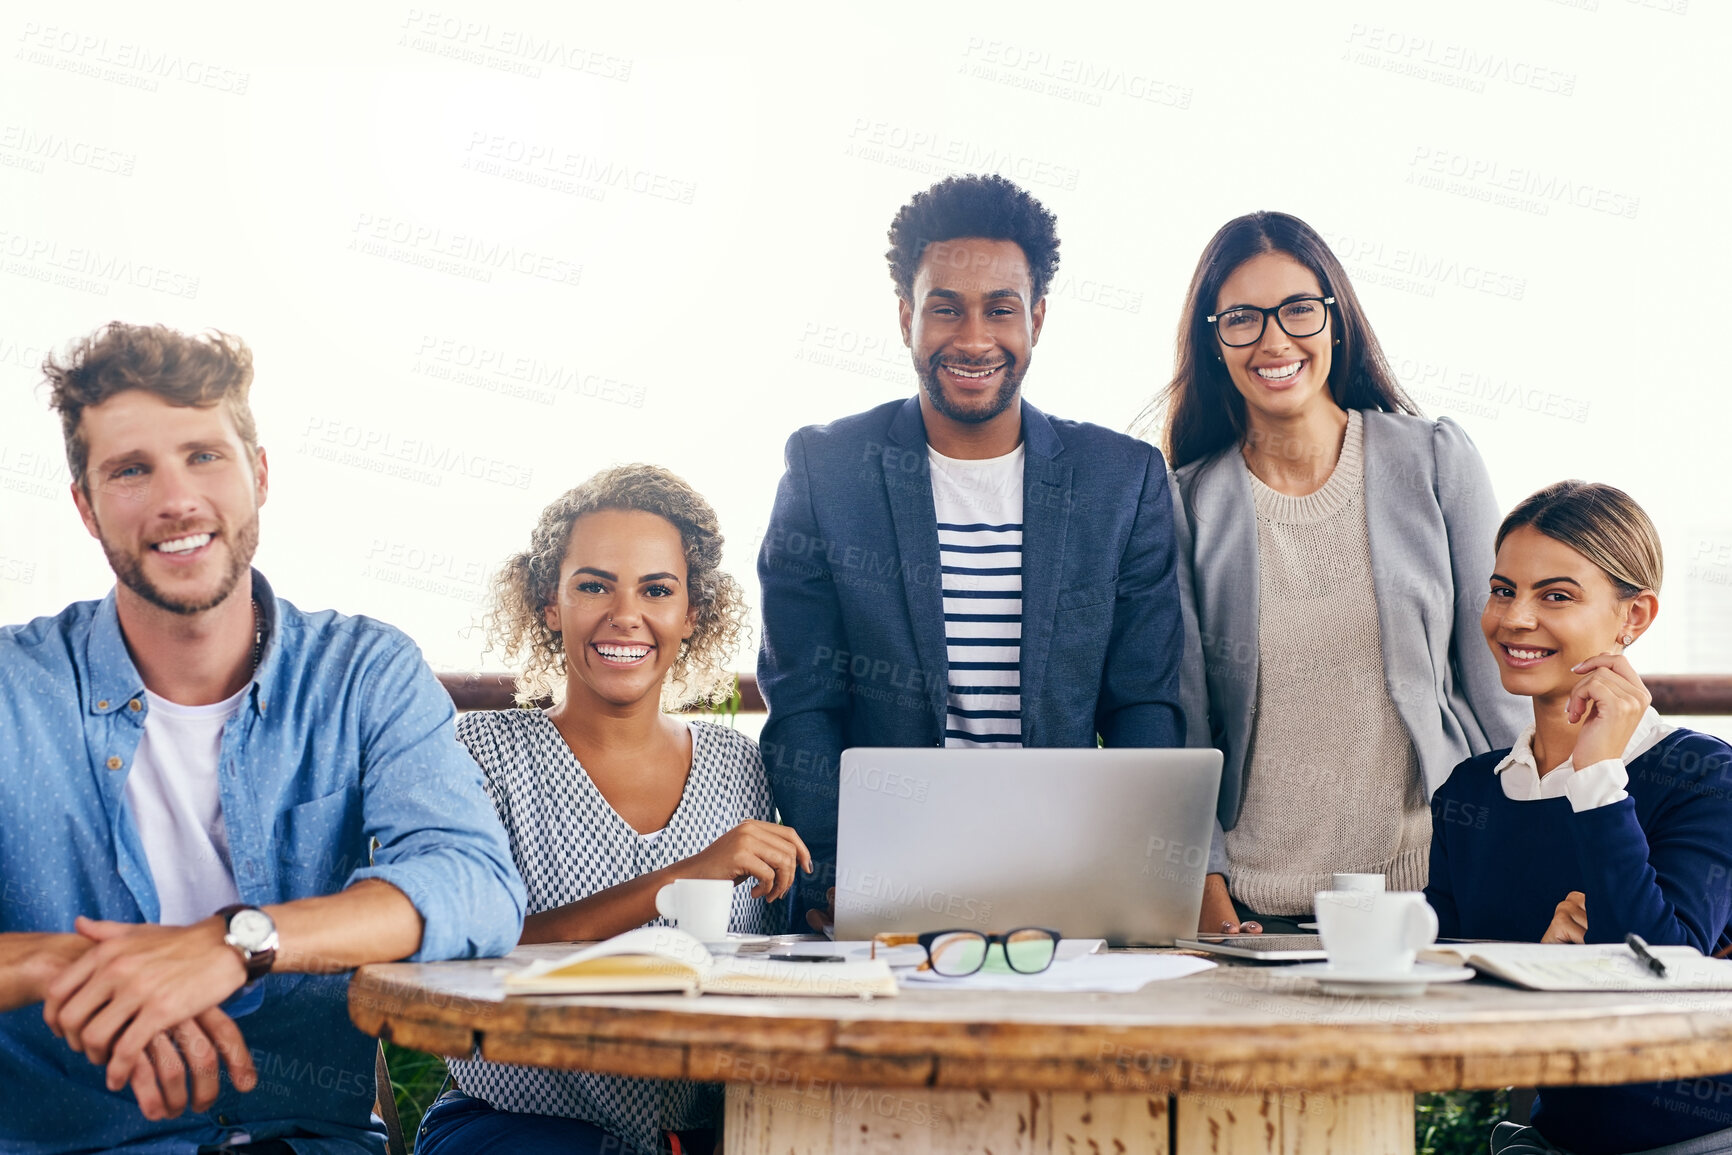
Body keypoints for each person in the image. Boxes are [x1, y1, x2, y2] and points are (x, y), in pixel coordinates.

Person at [0, 323, 526, 1152]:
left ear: (260, 474)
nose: (177, 498)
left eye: (204, 455)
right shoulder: (11, 689)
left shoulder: (364, 671)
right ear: (85, 505)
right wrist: (58, 965)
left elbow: (473, 881)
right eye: (132, 469)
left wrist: (237, 941)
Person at [757, 174, 1187, 931]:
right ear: (905, 317)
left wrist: (1141, 881)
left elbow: (1142, 705)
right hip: (879, 887)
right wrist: (833, 874)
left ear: (1038, 319)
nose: (973, 338)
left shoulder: (1121, 481)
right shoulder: (826, 470)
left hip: (1070, 880)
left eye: (1001, 309)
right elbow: (804, 706)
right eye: (945, 308)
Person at [1152, 211, 1526, 934]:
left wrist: (1525, 858)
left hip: (1438, 898)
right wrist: (1208, 886)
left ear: (1335, 319)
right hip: (1263, 911)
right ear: (1213, 337)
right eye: (1242, 318)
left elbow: (1503, 687)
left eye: (1297, 309)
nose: (1273, 339)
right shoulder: (1186, 502)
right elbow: (1188, 722)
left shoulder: (1436, 461)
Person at [417, 464, 809, 1155]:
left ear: (693, 614)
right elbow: (463, 946)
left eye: (656, 589)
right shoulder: (483, 752)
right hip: (517, 1128)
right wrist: (682, 877)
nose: (625, 613)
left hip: (703, 1135)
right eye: (593, 585)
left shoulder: (737, 764)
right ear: (548, 602)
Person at [1425, 481, 1732, 1155]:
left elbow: (1662, 974)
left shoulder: (1706, 777)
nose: (1515, 618)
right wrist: (1542, 967)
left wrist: (1597, 778)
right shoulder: (1470, 792)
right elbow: (1444, 997)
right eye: (1503, 589)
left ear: (1634, 617)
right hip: (1543, 1140)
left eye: (1555, 595)